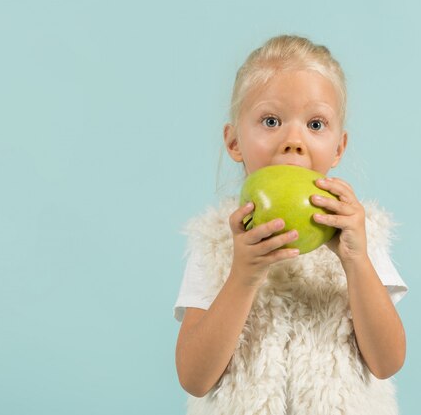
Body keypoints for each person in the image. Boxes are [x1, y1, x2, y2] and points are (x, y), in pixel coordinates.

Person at [173, 34, 408, 415]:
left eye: (315, 124)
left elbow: (388, 362)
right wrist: (243, 276)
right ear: (234, 142)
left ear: (338, 148)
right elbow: (193, 377)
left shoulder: (359, 236)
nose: (294, 141)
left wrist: (358, 262)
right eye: (271, 120)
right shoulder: (217, 241)